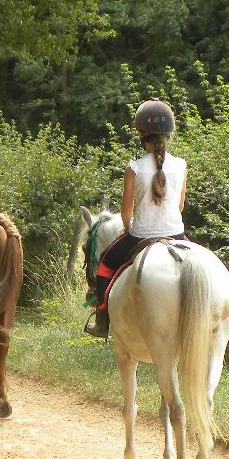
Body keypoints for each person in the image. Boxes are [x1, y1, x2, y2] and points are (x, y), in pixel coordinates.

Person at [84, 99, 188, 338]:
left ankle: (101, 319)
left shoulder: (134, 168)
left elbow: (126, 213)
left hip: (140, 234)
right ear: (169, 133)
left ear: (142, 134)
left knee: (104, 266)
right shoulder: (181, 166)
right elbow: (180, 206)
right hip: (176, 234)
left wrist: (129, 229)